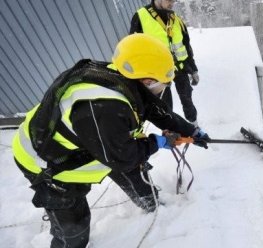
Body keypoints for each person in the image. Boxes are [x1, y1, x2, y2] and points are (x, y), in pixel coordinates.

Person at [12, 33, 210, 248]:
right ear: (147, 80)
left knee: (133, 169)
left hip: (98, 140)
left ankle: (149, 202)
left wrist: (191, 131)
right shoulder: (105, 108)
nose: (165, 88)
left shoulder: (123, 78)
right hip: (49, 162)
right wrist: (157, 143)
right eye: (164, 83)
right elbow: (123, 157)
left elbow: (155, 111)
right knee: (74, 230)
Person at [130, 0, 200, 127]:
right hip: (157, 73)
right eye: (169, 0)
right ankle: (172, 130)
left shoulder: (176, 19)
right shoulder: (140, 17)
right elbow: (135, 49)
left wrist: (194, 69)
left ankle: (194, 125)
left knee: (187, 99)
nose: (172, 3)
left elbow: (186, 46)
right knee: (164, 105)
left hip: (180, 69)